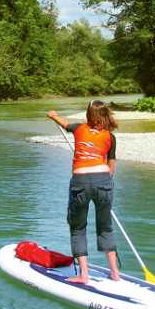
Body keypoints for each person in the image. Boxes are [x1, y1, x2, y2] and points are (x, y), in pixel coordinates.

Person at [47, 101, 121, 283]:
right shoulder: (110, 137)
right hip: (103, 180)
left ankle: (84, 275)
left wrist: (53, 115)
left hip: (80, 181)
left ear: (88, 115)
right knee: (105, 226)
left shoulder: (79, 128)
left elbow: (63, 123)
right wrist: (103, 181)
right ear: (106, 115)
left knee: (78, 227)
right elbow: (111, 167)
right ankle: (115, 273)